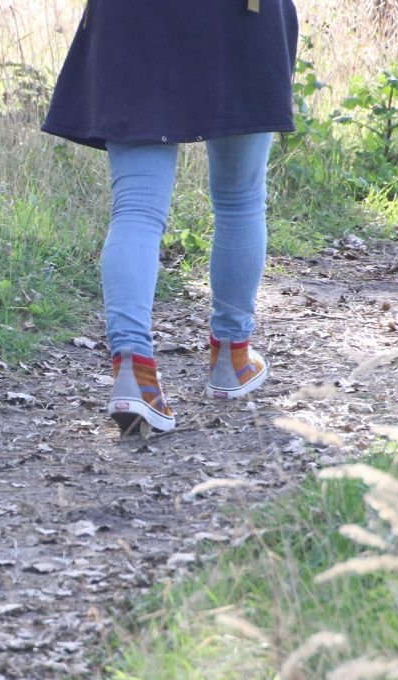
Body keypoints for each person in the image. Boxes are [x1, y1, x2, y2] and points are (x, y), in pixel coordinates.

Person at [42, 0, 300, 433]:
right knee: (239, 198)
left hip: (132, 16)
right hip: (240, 14)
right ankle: (231, 359)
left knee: (136, 209)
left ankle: (135, 374)